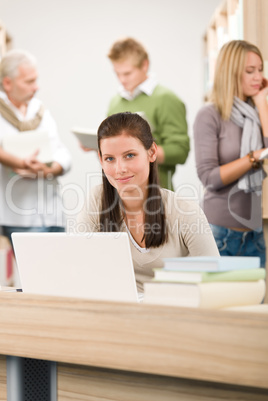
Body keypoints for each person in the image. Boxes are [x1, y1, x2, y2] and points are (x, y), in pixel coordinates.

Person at [75, 112, 219, 293]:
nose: (120, 169)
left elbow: (214, 282)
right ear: (101, 160)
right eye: (110, 158)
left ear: (151, 153)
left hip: (174, 310)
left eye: (129, 155)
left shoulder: (185, 211)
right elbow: (80, 268)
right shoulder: (96, 200)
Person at [194, 40, 268, 267]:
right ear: (232, 72)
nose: (258, 77)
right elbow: (209, 178)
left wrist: (262, 104)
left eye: (260, 70)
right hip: (219, 234)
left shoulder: (259, 115)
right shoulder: (210, 115)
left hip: (254, 233)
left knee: (255, 303)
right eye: (249, 71)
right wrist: (253, 158)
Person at [0, 49, 72, 245]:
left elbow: (62, 152)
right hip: (19, 215)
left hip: (53, 213)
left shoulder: (40, 111)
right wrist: (20, 162)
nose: (36, 87)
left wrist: (49, 169)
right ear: (8, 83)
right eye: (29, 82)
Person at [106, 37, 190, 190]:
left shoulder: (166, 99)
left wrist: (142, 153)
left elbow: (180, 151)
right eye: (117, 74)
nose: (121, 80)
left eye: (127, 73)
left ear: (144, 65)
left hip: (156, 192)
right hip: (120, 194)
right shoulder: (115, 103)